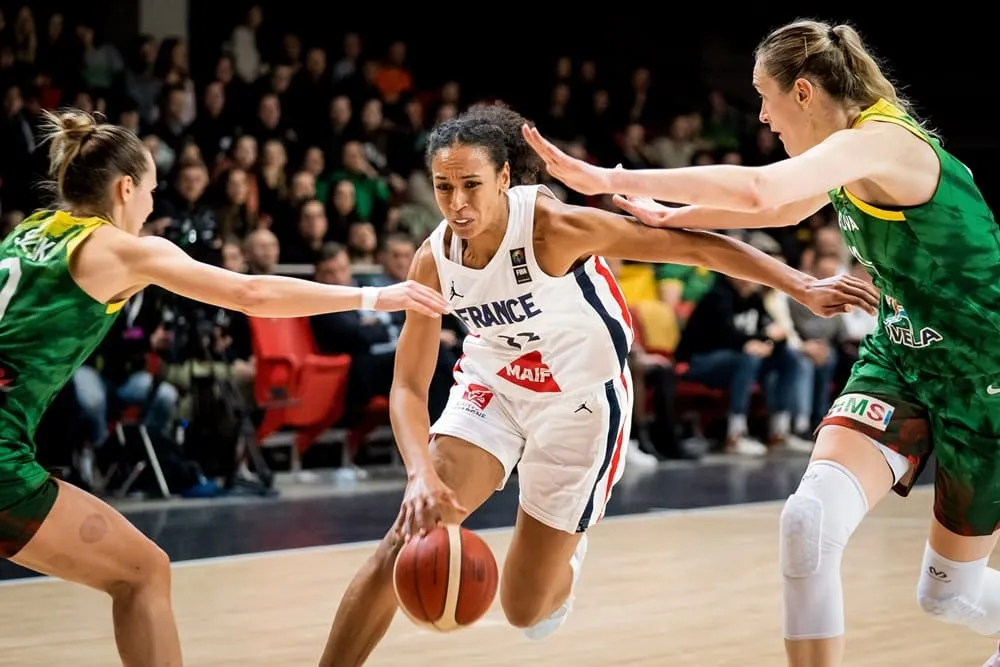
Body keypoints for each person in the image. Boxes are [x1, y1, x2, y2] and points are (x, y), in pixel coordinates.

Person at [318, 102, 878, 666]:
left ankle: (568, 554)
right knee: (404, 541)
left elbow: (693, 246)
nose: (457, 203)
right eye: (443, 187)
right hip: (494, 391)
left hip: (581, 405)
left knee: (524, 609)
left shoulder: (552, 228)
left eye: (471, 185)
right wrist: (418, 473)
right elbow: (409, 387)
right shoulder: (433, 260)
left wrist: (800, 285)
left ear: (504, 178)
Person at [522, 18, 1000, 667]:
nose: (763, 116)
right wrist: (671, 216)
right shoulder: (844, 154)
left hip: (983, 376)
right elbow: (780, 208)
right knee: (807, 523)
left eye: (764, 96)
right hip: (902, 356)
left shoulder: (883, 141)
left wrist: (610, 178)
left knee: (949, 596)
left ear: (803, 91)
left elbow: (761, 187)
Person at [0, 108, 448, 667]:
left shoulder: (28, 232)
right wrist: (373, 296)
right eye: (150, 193)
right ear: (125, 188)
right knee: (143, 573)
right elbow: (250, 294)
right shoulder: (123, 249)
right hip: (3, 463)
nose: (151, 208)